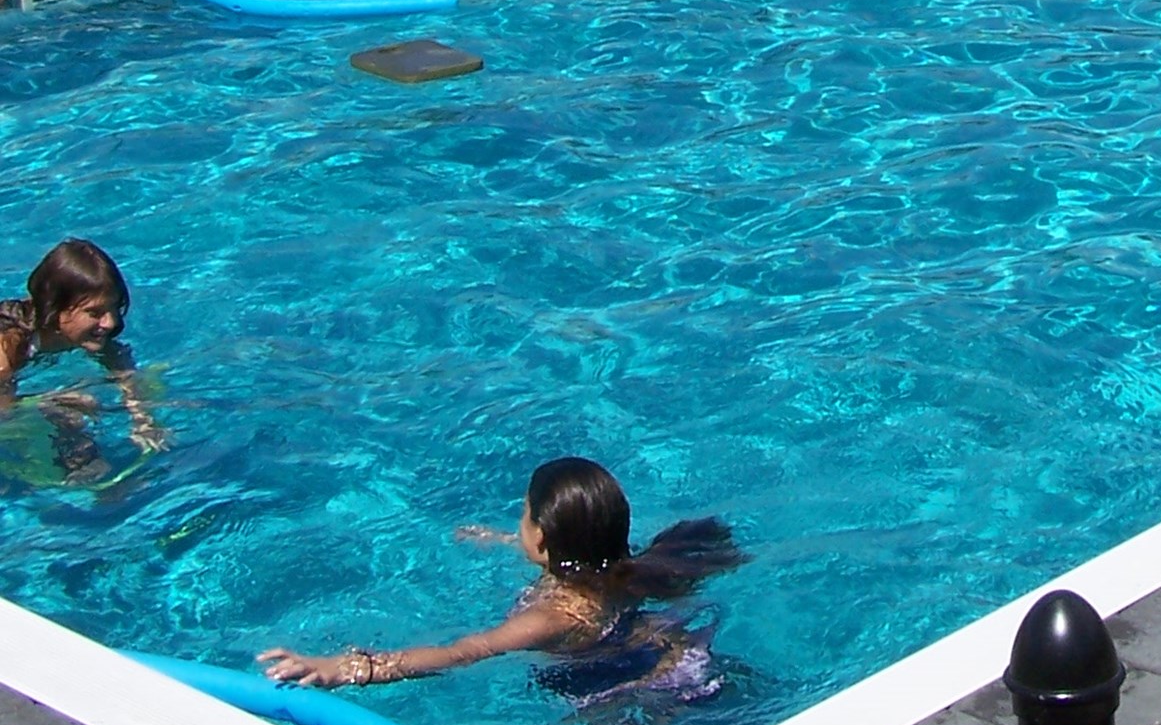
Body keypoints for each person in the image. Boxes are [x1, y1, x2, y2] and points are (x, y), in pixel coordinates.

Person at [259, 458, 744, 695]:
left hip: (646, 686)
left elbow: (464, 651)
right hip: (672, 653)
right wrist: (500, 540)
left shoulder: (552, 616)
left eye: (524, 517)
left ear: (545, 540)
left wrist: (346, 668)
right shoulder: (622, 568)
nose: (519, 525)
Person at [0, 241, 168, 475]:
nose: (110, 322)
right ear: (55, 309)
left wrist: (143, 419)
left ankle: (89, 477)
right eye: (95, 313)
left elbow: (123, 371)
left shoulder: (88, 336)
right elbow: (6, 418)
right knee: (68, 412)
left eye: (114, 308)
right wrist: (49, 402)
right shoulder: (7, 349)